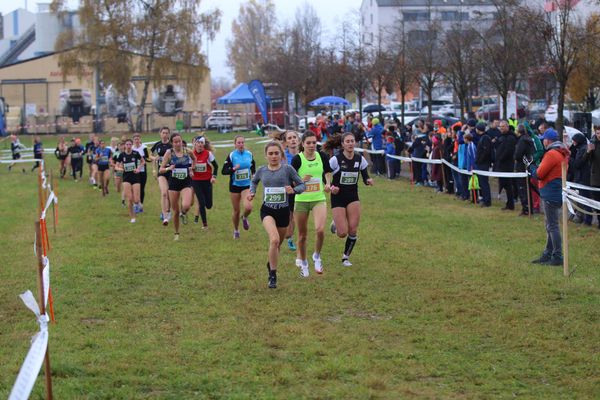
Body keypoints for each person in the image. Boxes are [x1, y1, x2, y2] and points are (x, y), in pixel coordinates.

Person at [248, 141, 306, 288]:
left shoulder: (288, 169)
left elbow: (302, 185)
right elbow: (253, 182)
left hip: (283, 212)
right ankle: (272, 275)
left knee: (277, 245)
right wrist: (252, 192)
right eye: (270, 153)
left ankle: (271, 263)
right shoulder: (262, 170)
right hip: (267, 211)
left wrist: (294, 190)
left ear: (281, 154)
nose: (273, 156)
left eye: (276, 153)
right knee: (274, 240)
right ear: (266, 155)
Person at [291, 131, 332, 277]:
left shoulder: (322, 156)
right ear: (303, 144)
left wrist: (327, 183)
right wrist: (302, 179)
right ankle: (304, 263)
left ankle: (316, 256)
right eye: (308, 143)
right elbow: (291, 181)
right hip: (301, 200)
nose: (311, 145)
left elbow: (327, 172)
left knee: (320, 230)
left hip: (318, 198)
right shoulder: (297, 159)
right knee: (302, 236)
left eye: (314, 143)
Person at [329, 132, 373, 267]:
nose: (350, 143)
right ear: (342, 144)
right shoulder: (335, 160)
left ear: (355, 143)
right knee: (342, 233)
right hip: (338, 197)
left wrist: (368, 180)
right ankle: (336, 224)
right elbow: (324, 175)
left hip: (353, 196)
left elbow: (365, 177)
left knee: (353, 230)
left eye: (352, 141)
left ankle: (345, 257)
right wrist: (331, 186)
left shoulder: (360, 159)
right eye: (347, 141)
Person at [527, 128, 570, 266]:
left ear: (548, 140)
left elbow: (539, 174)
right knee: (550, 225)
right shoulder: (560, 153)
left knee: (552, 225)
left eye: (543, 139)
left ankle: (557, 255)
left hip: (550, 193)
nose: (543, 141)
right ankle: (548, 253)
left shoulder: (552, 154)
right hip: (555, 192)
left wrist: (531, 168)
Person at [160, 133, 195, 240]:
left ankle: (183, 213)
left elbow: (195, 159)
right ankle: (176, 233)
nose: (178, 143)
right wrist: (168, 168)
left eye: (179, 141)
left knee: (186, 205)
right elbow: (160, 169)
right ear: (172, 143)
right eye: (175, 142)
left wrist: (192, 169)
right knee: (175, 211)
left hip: (185, 183)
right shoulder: (169, 153)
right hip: (173, 184)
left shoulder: (187, 151)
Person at [222, 135, 256, 239]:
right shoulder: (231, 155)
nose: (241, 145)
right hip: (235, 186)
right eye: (239, 143)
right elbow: (223, 171)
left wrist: (254, 174)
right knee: (236, 211)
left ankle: (244, 217)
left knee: (248, 207)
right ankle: (236, 230)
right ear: (235, 144)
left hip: (246, 185)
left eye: (242, 142)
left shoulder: (249, 154)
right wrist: (233, 169)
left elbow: (253, 165)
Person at [191, 135, 218, 228]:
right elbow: (187, 167)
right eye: (198, 143)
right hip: (196, 181)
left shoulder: (208, 154)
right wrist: (191, 170)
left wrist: (214, 176)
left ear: (204, 145)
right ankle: (205, 224)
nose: (200, 145)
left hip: (207, 181)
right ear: (195, 144)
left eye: (202, 143)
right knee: (201, 203)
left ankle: (204, 219)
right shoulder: (191, 154)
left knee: (209, 205)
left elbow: (216, 166)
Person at [116, 138, 144, 223]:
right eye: (127, 144)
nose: (128, 146)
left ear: (132, 145)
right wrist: (120, 169)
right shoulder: (122, 155)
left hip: (135, 177)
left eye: (129, 144)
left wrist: (139, 168)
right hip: (126, 178)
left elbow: (143, 162)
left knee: (136, 199)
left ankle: (139, 204)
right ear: (124, 145)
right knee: (130, 199)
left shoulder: (136, 153)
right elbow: (116, 166)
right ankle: (132, 217)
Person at [151, 127, 173, 224]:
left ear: (169, 134)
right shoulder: (157, 145)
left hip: (172, 172)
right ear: (160, 134)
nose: (165, 134)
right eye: (163, 133)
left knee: (170, 194)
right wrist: (155, 159)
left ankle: (168, 210)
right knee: (164, 193)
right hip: (162, 172)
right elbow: (149, 155)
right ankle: (164, 215)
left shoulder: (172, 145)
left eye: (166, 133)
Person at [283, 130, 300, 251]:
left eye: (295, 137)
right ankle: (289, 237)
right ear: (286, 142)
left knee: (296, 215)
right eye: (290, 138)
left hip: (303, 189)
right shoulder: (282, 157)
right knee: (289, 216)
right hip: (288, 189)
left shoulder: (305, 155)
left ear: (299, 140)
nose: (293, 140)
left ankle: (293, 237)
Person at [495, 120, 517, 210]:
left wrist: (501, 158)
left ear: (507, 127)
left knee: (508, 185)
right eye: (500, 126)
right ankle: (509, 202)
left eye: (503, 126)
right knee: (504, 184)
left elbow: (508, 151)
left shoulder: (511, 138)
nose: (501, 128)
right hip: (501, 165)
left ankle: (511, 204)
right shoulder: (501, 137)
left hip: (507, 165)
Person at [514, 124, 535, 216]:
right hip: (527, 165)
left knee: (522, 188)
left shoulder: (522, 141)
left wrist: (515, 156)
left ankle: (526, 209)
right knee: (527, 188)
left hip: (522, 166)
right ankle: (529, 207)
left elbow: (518, 154)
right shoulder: (529, 139)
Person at [475, 122, 493, 207]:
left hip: (483, 164)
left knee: (484, 182)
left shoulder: (485, 138)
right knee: (482, 183)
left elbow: (486, 152)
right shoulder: (483, 137)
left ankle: (487, 201)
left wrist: (480, 160)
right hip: (481, 163)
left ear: (478, 129)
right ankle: (485, 199)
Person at [586, 126, 600, 228]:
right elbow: (586, 160)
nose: (599, 135)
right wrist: (589, 151)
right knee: (597, 202)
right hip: (595, 178)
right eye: (598, 133)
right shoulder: (592, 144)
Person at [133, 133, 151, 212]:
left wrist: (153, 159)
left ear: (140, 139)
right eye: (135, 139)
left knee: (142, 188)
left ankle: (141, 205)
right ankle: (136, 204)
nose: (137, 140)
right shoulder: (132, 148)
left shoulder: (144, 148)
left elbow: (147, 158)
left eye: (138, 139)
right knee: (135, 188)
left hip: (143, 170)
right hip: (134, 171)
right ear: (133, 140)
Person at [112, 141, 125, 206]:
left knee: (124, 186)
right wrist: (117, 166)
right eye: (119, 145)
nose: (121, 147)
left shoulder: (126, 153)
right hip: (118, 172)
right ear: (118, 147)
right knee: (118, 188)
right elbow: (112, 162)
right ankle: (118, 188)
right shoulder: (115, 153)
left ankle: (123, 201)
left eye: (122, 145)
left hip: (125, 171)